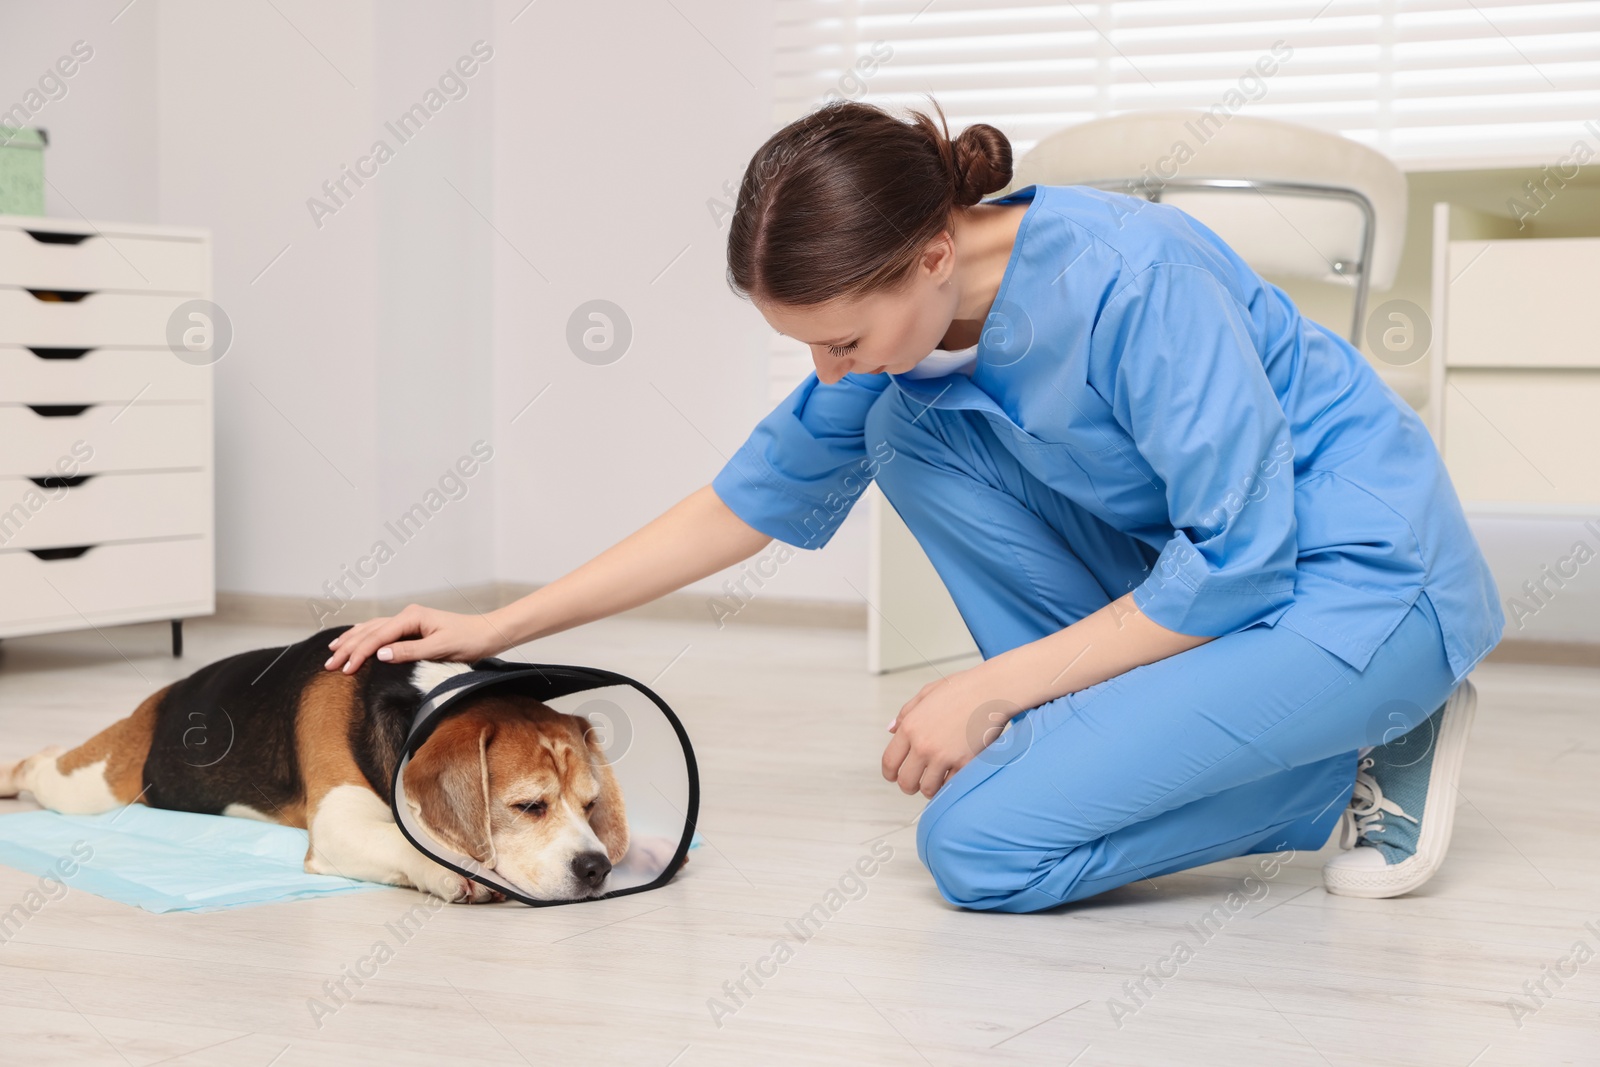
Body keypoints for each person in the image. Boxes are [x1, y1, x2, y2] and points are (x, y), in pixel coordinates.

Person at [325, 101, 1504, 912]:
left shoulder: (1135, 278)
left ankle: (1364, 741)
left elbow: (1241, 559)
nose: (828, 369)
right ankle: (1159, 739)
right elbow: (742, 501)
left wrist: (991, 687)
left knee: (981, 846)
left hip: (1357, 584)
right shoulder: (903, 353)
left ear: (933, 252)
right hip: (1215, 590)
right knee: (903, 432)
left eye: (840, 337)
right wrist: (500, 627)